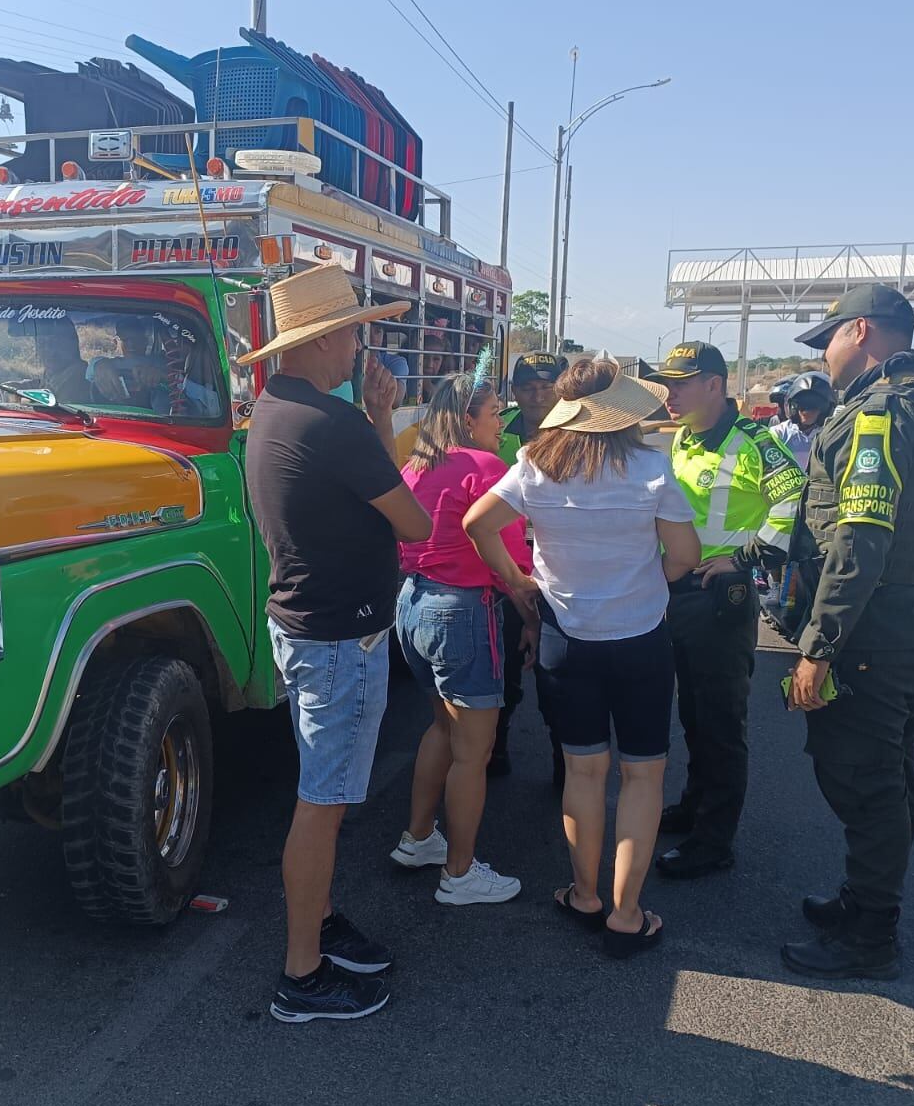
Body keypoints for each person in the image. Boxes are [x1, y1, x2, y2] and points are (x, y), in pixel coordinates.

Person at [241, 264, 433, 1023]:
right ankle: (302, 973)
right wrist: (379, 419)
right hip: (340, 639)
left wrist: (371, 416)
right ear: (322, 339)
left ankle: (317, 928)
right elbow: (412, 521)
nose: (361, 345)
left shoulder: (277, 408)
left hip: (305, 627)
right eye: (353, 329)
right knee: (321, 805)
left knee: (322, 796)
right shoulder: (336, 422)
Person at [465, 358, 700, 957]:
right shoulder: (652, 466)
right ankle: (627, 913)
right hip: (641, 636)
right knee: (643, 775)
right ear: (621, 410)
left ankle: (584, 893)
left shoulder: (535, 464)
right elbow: (684, 554)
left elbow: (478, 524)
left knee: (584, 772)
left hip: (565, 638)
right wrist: (652, 580)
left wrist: (519, 579)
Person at [780, 284, 914, 980]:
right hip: (912, 616)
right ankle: (866, 900)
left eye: (829, 339)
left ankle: (870, 934)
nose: (825, 356)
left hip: (869, 628)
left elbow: (860, 540)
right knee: (893, 769)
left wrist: (818, 647)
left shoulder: (880, 414)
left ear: (860, 330)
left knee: (864, 778)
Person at [651, 342, 808, 879]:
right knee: (693, 713)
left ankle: (714, 840)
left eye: (679, 384)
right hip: (678, 594)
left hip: (721, 600)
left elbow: (795, 500)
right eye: (666, 384)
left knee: (720, 721)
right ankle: (697, 806)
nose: (668, 394)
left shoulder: (755, 442)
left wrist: (745, 558)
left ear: (714, 385)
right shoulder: (686, 439)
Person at [388, 370, 531, 905]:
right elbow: (513, 559)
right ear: (469, 418)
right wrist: (531, 604)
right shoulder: (488, 466)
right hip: (463, 610)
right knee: (475, 750)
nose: (502, 422)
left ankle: (419, 837)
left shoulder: (417, 465)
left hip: (414, 603)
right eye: (496, 413)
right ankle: (460, 873)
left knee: (442, 730)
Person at [492, 351, 568, 781]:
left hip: (562, 570)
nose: (537, 394)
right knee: (502, 667)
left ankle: (565, 763)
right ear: (515, 391)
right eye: (527, 386)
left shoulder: (582, 432)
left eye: (546, 385)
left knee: (559, 678)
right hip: (509, 571)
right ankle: (495, 749)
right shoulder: (496, 430)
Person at [770, 371, 835, 470]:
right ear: (792, 407)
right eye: (802, 405)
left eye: (814, 406)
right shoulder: (779, 434)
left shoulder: (832, 434)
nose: (807, 411)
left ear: (826, 409)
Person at [371, 323, 410, 404]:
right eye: (366, 331)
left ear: (383, 335)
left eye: (378, 331)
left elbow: (396, 400)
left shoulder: (396, 362)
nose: (373, 338)